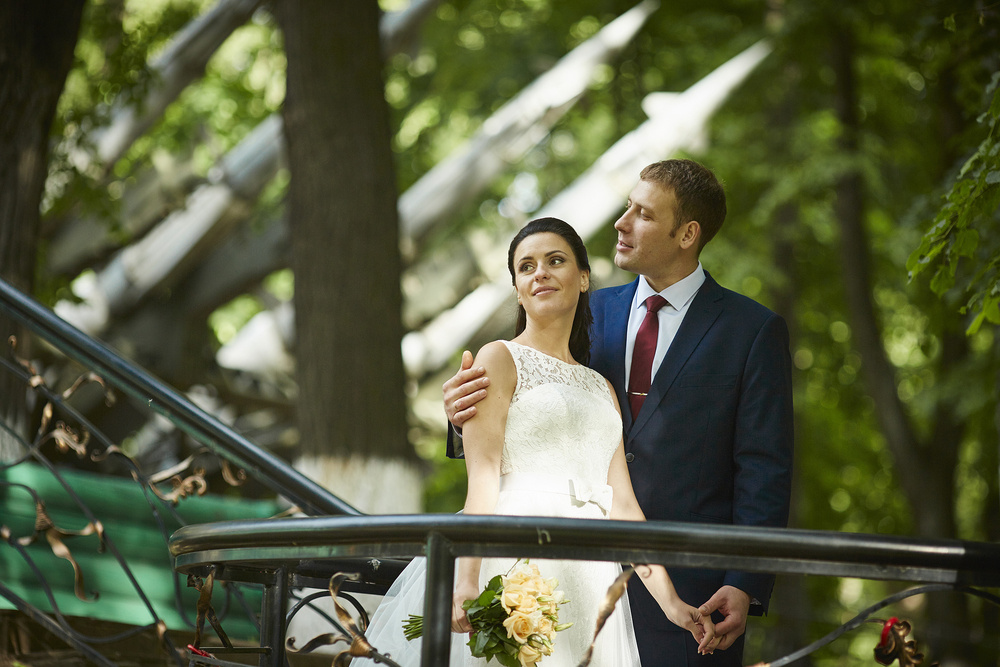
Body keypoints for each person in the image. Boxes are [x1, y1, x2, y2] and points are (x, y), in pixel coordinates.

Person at [444, 160, 794, 665]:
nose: (621, 222)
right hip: (548, 576)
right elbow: (521, 409)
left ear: (687, 234)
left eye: (642, 213)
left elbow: (765, 468)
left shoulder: (751, 331)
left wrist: (745, 583)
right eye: (627, 206)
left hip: (689, 592)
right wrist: (460, 417)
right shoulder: (586, 311)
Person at [365, 217, 716, 666]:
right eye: (526, 267)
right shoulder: (499, 358)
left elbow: (624, 509)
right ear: (517, 288)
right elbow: (483, 480)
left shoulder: (601, 387)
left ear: (584, 277)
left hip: (588, 576)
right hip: (510, 556)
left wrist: (673, 605)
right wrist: (467, 579)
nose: (540, 273)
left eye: (555, 261)